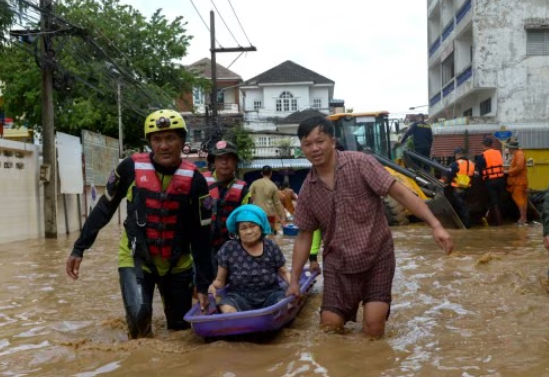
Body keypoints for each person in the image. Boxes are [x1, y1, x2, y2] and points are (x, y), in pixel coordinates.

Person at [286, 115, 453, 338]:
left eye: (320, 141)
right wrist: (294, 281)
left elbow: (400, 193)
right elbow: (304, 236)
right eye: (308, 144)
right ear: (302, 149)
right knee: (329, 329)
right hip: (339, 265)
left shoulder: (360, 163)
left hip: (377, 258)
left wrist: (435, 225)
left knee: (373, 330)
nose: (315, 148)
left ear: (332, 141)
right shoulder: (308, 190)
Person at [65, 109, 214, 339]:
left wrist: (204, 285)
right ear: (150, 143)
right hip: (135, 257)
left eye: (171, 138)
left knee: (181, 331)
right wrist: (79, 247)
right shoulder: (129, 168)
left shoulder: (197, 181)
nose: (164, 146)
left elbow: (202, 237)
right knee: (139, 320)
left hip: (178, 263)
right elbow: (105, 208)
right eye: (157, 139)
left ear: (182, 141)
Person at [208, 204, 290, 313]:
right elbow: (220, 281)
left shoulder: (271, 246)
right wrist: (212, 287)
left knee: (283, 304)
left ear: (260, 227)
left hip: (271, 294)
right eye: (243, 228)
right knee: (226, 309)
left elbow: (284, 272)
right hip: (239, 297)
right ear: (238, 232)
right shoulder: (229, 248)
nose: (249, 231)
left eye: (253, 226)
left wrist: (294, 285)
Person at [203, 140, 251, 270]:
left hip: (232, 247)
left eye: (229, 158)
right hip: (203, 248)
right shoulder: (200, 183)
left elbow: (248, 224)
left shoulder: (244, 191)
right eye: (220, 158)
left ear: (236, 162)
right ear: (214, 162)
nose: (224, 162)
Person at [440, 147, 476, 229]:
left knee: (461, 208)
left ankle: (465, 226)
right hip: (467, 188)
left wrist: (444, 180)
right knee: (464, 206)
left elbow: (449, 175)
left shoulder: (456, 164)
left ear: (458, 154)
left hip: (458, 189)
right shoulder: (471, 163)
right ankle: (466, 224)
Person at [476, 137, 506, 226]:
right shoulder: (498, 152)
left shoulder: (482, 155)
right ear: (492, 145)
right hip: (501, 180)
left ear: (483, 145)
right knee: (499, 201)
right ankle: (500, 220)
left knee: (494, 202)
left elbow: (480, 170)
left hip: (490, 181)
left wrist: (482, 178)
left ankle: (499, 224)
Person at [249, 165, 287, 232]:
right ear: (271, 173)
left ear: (261, 173)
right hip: (270, 214)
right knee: (270, 234)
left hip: (257, 213)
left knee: (258, 233)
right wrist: (282, 217)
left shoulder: (254, 183)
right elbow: (277, 203)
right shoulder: (273, 186)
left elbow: (248, 196)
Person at [505, 138, 528, 225]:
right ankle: (524, 218)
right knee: (523, 200)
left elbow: (519, 167)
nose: (508, 150)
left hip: (519, 182)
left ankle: (522, 218)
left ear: (511, 148)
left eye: (509, 148)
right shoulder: (518, 154)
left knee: (519, 200)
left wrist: (508, 171)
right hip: (520, 181)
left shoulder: (519, 154)